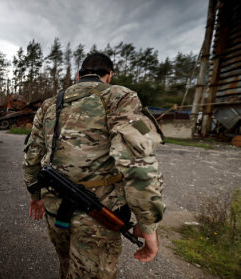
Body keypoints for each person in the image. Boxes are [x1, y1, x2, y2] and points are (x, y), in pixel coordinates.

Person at [23, 52, 165, 279]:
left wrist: (34, 194)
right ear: (109, 75)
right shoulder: (120, 97)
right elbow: (138, 165)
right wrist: (148, 226)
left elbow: (32, 155)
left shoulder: (50, 105)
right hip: (98, 217)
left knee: (67, 267)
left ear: (79, 75)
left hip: (55, 209)